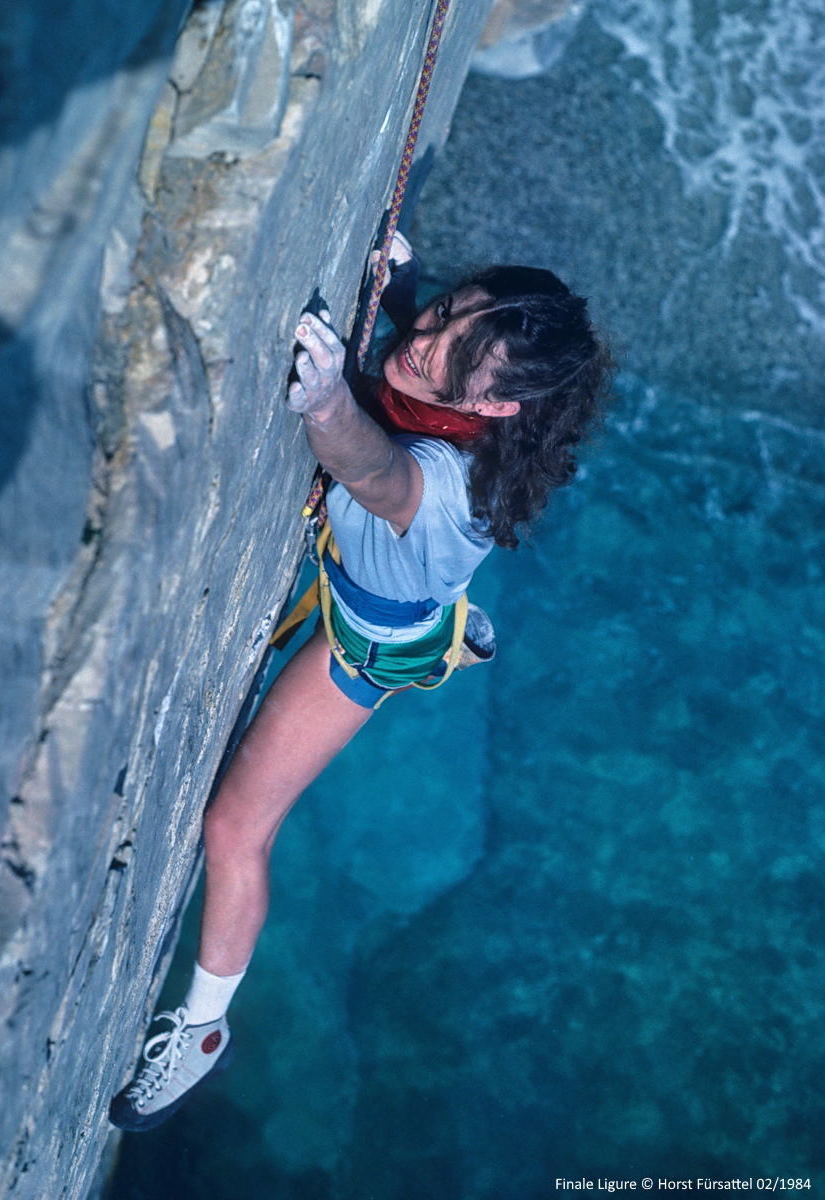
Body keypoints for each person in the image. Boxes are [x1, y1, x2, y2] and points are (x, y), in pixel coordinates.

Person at [109, 236, 612, 1130]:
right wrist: (408, 280)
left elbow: (375, 470)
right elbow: (419, 352)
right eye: (450, 307)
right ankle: (454, 618)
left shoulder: (448, 484)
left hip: (366, 649)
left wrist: (332, 402)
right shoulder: (446, 381)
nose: (425, 334)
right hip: (380, 581)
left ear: (495, 404)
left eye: (456, 346)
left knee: (232, 828)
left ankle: (202, 1033)